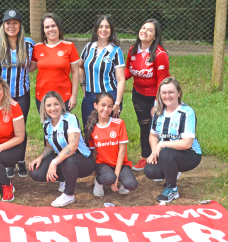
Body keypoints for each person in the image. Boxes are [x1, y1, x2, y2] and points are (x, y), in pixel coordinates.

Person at [0, 9, 35, 179]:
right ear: (3, 25)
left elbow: (33, 65)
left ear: (20, 25)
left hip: (22, 93)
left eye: (15, 23)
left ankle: (20, 159)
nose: (11, 26)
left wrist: (21, 76)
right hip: (2, 95)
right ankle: (8, 161)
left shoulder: (29, 44)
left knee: (20, 128)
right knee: (4, 129)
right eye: (8, 23)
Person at [29, 91, 95, 208]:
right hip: (63, 160)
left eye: (56, 104)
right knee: (36, 172)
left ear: (61, 105)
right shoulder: (46, 124)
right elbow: (49, 146)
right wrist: (40, 158)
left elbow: (73, 146)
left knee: (70, 160)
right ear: (44, 108)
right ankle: (66, 177)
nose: (53, 108)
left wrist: (54, 162)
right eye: (49, 105)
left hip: (84, 161)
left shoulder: (70, 118)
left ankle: (69, 194)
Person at [144, 77, 201, 203]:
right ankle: (172, 170)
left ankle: (172, 189)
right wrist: (154, 151)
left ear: (179, 93)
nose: (167, 96)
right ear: (159, 95)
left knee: (165, 152)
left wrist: (162, 144)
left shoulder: (186, 112)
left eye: (171, 92)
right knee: (150, 171)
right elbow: (153, 135)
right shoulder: (158, 112)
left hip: (190, 154)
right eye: (163, 93)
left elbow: (187, 143)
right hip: (167, 153)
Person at [124, 19, 170, 172]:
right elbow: (129, 70)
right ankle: (146, 157)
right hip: (138, 94)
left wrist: (157, 103)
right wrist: (115, 81)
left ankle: (164, 158)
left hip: (157, 97)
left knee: (158, 126)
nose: (145, 31)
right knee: (144, 127)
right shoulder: (133, 49)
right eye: (143, 28)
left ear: (155, 35)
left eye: (150, 30)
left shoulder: (160, 54)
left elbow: (162, 80)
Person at [83, 92, 138, 197]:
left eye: (109, 106)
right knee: (109, 179)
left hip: (120, 163)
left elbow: (122, 151)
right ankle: (99, 181)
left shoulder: (119, 123)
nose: (106, 109)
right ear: (95, 105)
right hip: (102, 164)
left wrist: (117, 176)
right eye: (103, 105)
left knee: (131, 185)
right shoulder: (91, 127)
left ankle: (119, 180)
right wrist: (96, 174)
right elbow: (94, 153)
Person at [79, 15, 126, 127]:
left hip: (109, 95)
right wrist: (83, 86)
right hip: (90, 96)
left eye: (107, 27)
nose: (103, 29)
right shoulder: (88, 47)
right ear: (96, 29)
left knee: (106, 130)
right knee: (88, 128)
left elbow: (121, 80)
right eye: (101, 26)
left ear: (111, 30)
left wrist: (117, 103)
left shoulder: (116, 51)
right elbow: (80, 66)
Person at [31, 13, 80, 114]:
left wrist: (74, 95)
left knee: (64, 128)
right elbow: (30, 68)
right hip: (42, 97)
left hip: (64, 96)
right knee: (47, 128)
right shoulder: (37, 47)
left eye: (53, 26)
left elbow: (75, 72)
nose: (51, 29)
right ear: (44, 31)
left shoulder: (69, 46)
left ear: (58, 27)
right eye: (47, 27)